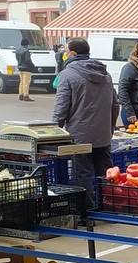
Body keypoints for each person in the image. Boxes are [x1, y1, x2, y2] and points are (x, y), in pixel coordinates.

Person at [51, 38, 119, 208]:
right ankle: (109, 206)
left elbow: (61, 108)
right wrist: (110, 127)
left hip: (79, 135)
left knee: (83, 173)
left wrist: (53, 131)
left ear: (72, 54)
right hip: (103, 134)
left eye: (67, 51)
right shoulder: (105, 74)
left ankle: (88, 212)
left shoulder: (67, 75)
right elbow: (115, 104)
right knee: (106, 172)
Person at [15, 37, 36, 102]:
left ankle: (20, 95)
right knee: (26, 82)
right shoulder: (26, 51)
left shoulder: (17, 50)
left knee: (21, 82)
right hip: (27, 68)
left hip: (20, 68)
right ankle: (26, 96)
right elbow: (27, 60)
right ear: (27, 44)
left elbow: (17, 58)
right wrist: (32, 65)